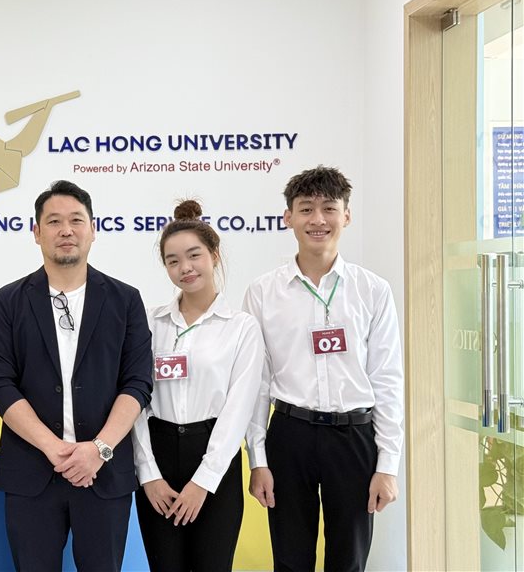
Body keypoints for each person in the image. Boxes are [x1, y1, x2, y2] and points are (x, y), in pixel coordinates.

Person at [0, 179, 153, 572]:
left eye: (76, 220)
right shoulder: (9, 300)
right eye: (54, 221)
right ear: (36, 232)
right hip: (32, 474)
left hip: (104, 473)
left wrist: (99, 449)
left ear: (93, 229)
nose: (66, 230)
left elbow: (138, 382)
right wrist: (52, 447)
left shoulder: (125, 300)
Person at [244, 166, 403, 571]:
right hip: (289, 435)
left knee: (348, 561)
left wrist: (388, 466)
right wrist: (258, 459)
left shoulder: (372, 290)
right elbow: (256, 383)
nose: (318, 220)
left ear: (346, 215)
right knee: (290, 559)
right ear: (288, 217)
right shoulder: (263, 292)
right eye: (306, 209)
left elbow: (387, 379)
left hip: (354, 437)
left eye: (329, 208)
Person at [130, 200, 264, 572]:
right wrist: (148, 474)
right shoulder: (150, 323)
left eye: (194, 256)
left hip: (215, 457)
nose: (185, 268)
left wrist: (204, 481)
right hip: (157, 457)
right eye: (173, 261)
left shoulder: (241, 327)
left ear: (214, 255)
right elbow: (135, 400)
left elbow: (238, 409)